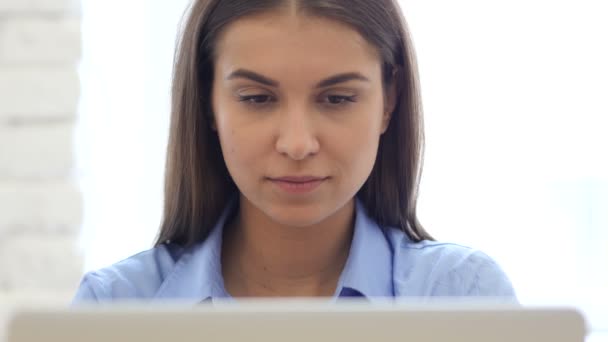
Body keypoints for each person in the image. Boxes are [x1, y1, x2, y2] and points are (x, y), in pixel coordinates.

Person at [73, 0, 515, 302]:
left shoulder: (462, 293)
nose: (297, 144)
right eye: (257, 98)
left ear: (390, 101)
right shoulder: (114, 306)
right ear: (209, 102)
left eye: (337, 98)